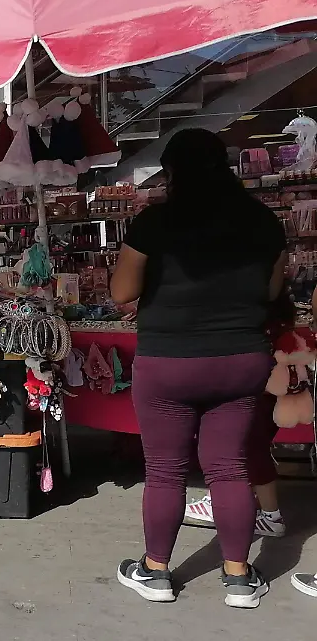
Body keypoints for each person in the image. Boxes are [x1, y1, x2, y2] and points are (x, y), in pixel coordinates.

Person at [109, 128, 285, 609]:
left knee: (166, 470)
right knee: (229, 467)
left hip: (170, 360)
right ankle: (239, 579)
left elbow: (121, 293)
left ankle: (156, 572)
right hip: (241, 360)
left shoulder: (155, 222)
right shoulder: (263, 221)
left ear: (172, 172)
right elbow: (270, 293)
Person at [183, 294, 296, 538]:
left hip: (253, 392)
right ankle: (228, 503)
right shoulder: (274, 319)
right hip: (264, 393)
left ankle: (268, 515)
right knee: (243, 450)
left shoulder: (252, 317)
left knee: (244, 450)